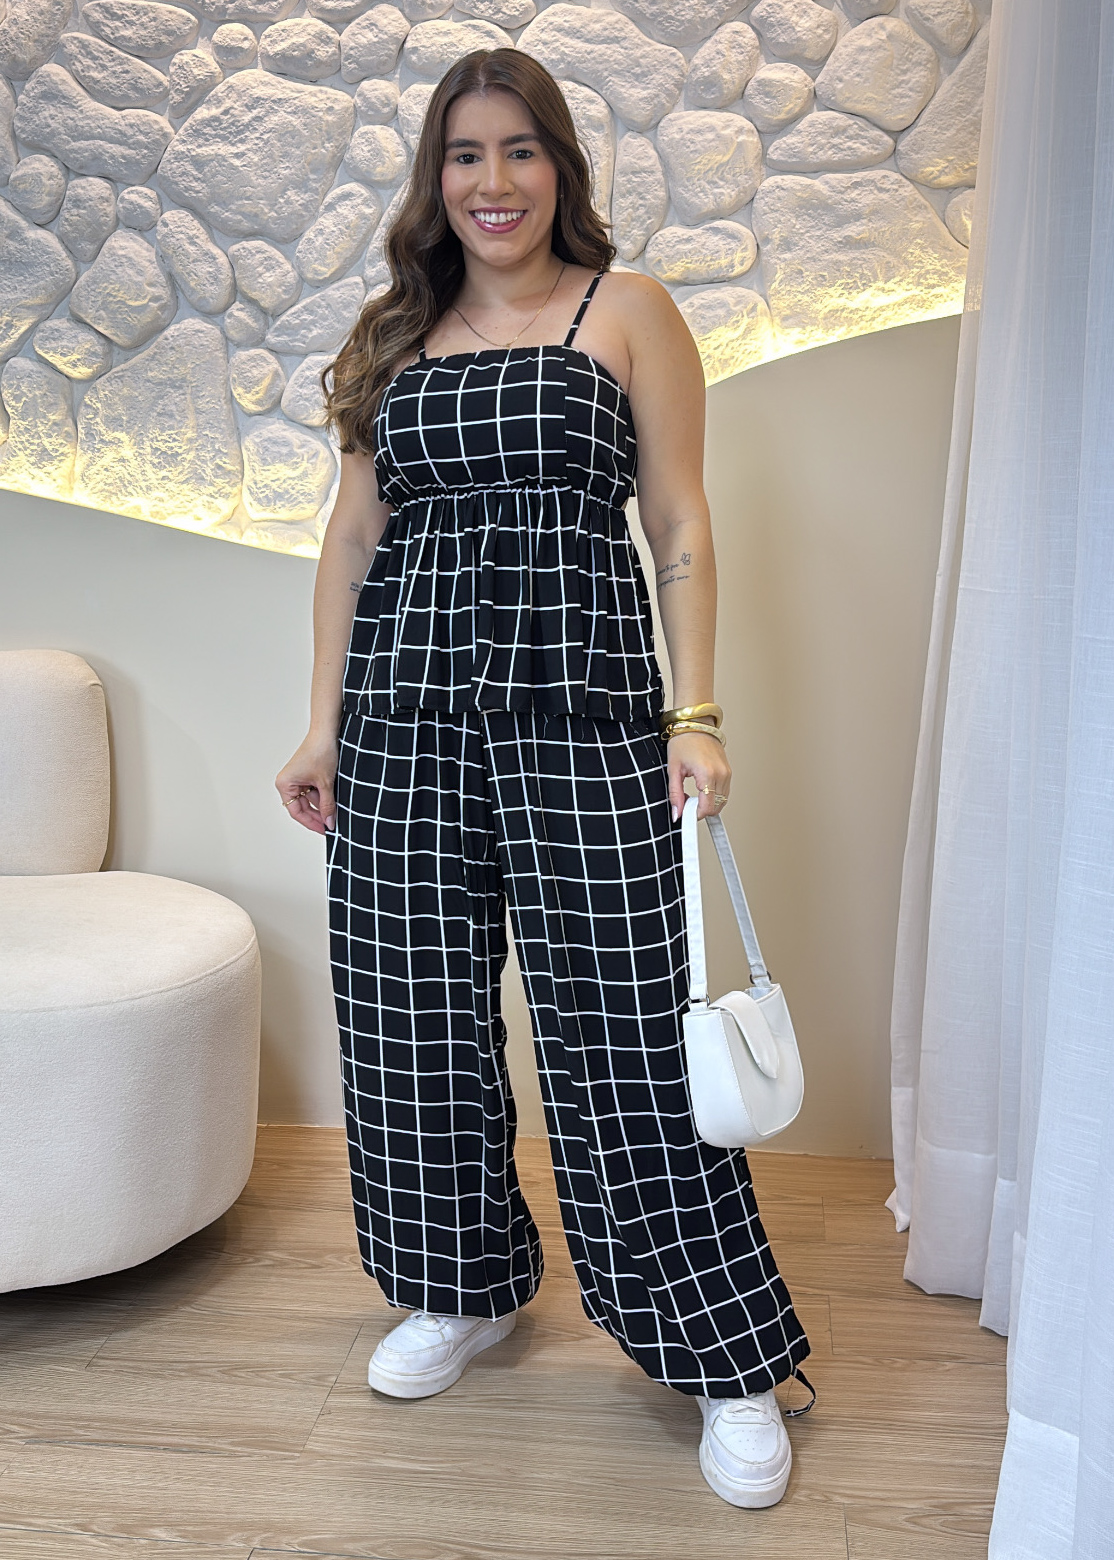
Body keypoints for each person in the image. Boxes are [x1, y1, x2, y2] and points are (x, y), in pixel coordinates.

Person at [276, 46, 814, 1509]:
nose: (492, 181)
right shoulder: (395, 331)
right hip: (401, 718)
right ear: (434, 178)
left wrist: (694, 714)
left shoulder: (625, 311)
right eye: (464, 154)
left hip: (581, 715)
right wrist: (322, 726)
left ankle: (719, 1354)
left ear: (558, 168)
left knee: (623, 1033)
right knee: (409, 1017)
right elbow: (350, 541)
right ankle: (459, 1286)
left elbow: (678, 518)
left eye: (519, 150)